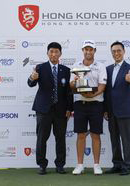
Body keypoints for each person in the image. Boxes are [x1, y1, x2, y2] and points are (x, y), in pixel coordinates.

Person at [27, 42, 73, 175]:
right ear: (47, 53)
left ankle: (60, 165)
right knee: (42, 138)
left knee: (60, 138)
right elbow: (30, 83)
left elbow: (69, 92)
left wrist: (69, 108)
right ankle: (42, 165)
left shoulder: (66, 70)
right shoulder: (40, 68)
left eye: (56, 52)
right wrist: (32, 77)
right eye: (51, 51)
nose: (54, 54)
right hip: (43, 109)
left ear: (60, 54)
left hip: (61, 110)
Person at [70, 40, 107, 175]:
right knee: (81, 135)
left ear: (94, 51)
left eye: (91, 49)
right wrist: (74, 83)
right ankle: (80, 165)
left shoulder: (100, 66)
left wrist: (92, 95)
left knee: (95, 135)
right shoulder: (76, 66)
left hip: (96, 104)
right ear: (82, 50)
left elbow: (102, 86)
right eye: (86, 49)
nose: (88, 52)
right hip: (80, 104)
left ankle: (96, 165)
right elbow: (72, 86)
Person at [104, 41, 130, 176]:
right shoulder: (107, 69)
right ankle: (117, 164)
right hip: (111, 111)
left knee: (126, 140)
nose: (116, 53)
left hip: (125, 111)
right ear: (111, 53)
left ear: (124, 52)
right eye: (114, 51)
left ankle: (127, 166)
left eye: (119, 50)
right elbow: (106, 91)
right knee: (114, 139)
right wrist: (105, 110)